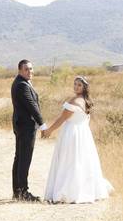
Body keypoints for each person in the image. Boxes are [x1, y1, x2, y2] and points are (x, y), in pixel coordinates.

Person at [41, 75, 113, 204]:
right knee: (81, 161)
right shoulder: (86, 100)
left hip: (72, 134)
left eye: (79, 85)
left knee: (70, 161)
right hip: (83, 134)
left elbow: (61, 119)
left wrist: (49, 130)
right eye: (75, 84)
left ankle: (68, 192)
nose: (76, 87)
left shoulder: (74, 101)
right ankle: (82, 189)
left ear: (85, 87)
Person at [10, 59, 45, 201]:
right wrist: (43, 125)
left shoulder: (21, 82)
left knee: (19, 158)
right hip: (25, 126)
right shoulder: (21, 85)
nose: (29, 71)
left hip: (21, 125)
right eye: (26, 69)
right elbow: (32, 106)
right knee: (24, 159)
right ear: (20, 70)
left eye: (31, 68)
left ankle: (18, 192)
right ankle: (23, 193)